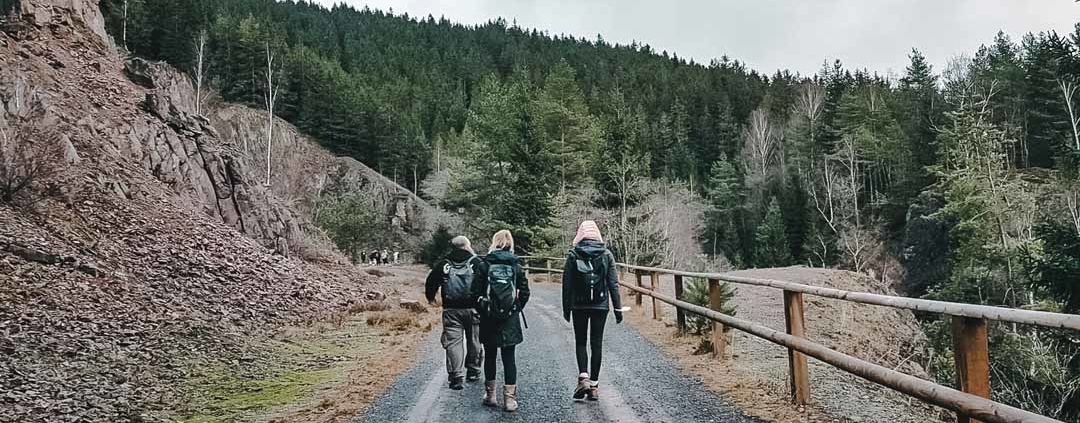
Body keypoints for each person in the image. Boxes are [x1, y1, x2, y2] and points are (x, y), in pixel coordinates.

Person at [562, 220, 622, 401]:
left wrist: (566, 309)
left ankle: (583, 377)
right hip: (600, 305)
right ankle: (594, 387)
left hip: (579, 305)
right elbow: (613, 283)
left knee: (580, 342)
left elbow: (567, 284)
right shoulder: (606, 255)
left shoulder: (573, 254)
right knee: (597, 344)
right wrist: (618, 309)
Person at [472, 229, 529, 412]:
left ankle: (490, 395)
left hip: (489, 318)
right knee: (509, 357)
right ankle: (510, 400)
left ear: (494, 243)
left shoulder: (484, 264)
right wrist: (514, 307)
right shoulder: (515, 265)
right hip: (509, 318)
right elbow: (525, 291)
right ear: (510, 243)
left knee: (490, 355)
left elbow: (474, 292)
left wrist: (484, 309)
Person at [424, 236, 484, 390]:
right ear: (467, 245)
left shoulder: (445, 263)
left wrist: (431, 298)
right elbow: (486, 281)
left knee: (453, 342)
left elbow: (431, 281)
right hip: (474, 309)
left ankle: (456, 376)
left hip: (451, 310)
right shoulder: (476, 262)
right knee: (475, 340)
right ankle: (473, 371)